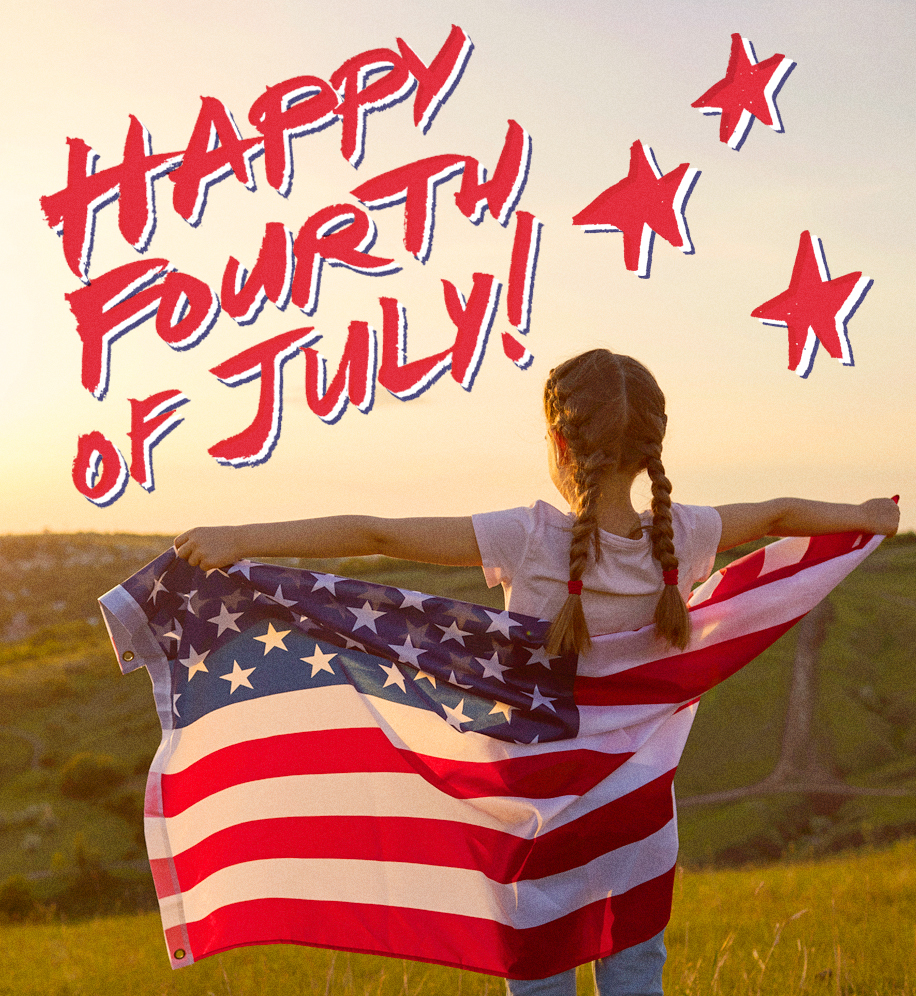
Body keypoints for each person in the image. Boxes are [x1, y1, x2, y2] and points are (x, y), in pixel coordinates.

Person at [175, 348, 899, 996]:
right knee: (636, 976)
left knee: (543, 982)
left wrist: (241, 539)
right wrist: (865, 512)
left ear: (558, 442)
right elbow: (776, 513)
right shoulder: (685, 537)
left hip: (535, 823)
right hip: (635, 821)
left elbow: (377, 534)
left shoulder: (525, 536)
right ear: (653, 448)